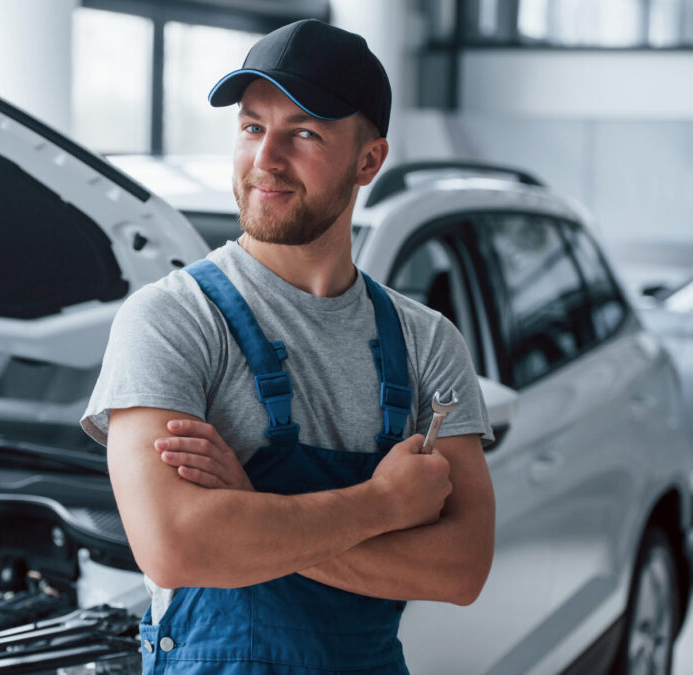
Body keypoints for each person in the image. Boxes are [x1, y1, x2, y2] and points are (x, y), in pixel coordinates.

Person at [80, 19, 495, 674]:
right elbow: (175, 546)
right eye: (251, 127)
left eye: (303, 133)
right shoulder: (170, 319)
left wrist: (247, 516)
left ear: (369, 160)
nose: (265, 159)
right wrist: (382, 507)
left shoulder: (426, 342)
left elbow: (462, 567)